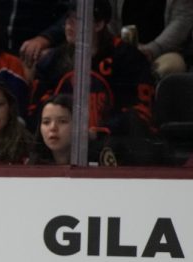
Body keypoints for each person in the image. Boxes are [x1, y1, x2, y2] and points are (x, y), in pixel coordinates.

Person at [29, 0, 155, 164]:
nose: (69, 24)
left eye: (77, 19)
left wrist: (99, 131)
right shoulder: (51, 62)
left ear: (99, 24)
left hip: (115, 149)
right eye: (68, 18)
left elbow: (140, 113)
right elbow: (35, 111)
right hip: (61, 149)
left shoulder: (128, 59)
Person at [107, 0, 193, 79]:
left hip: (164, 53)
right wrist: (120, 47)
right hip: (119, 49)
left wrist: (152, 49)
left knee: (172, 65)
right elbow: (108, 17)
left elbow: (182, 20)